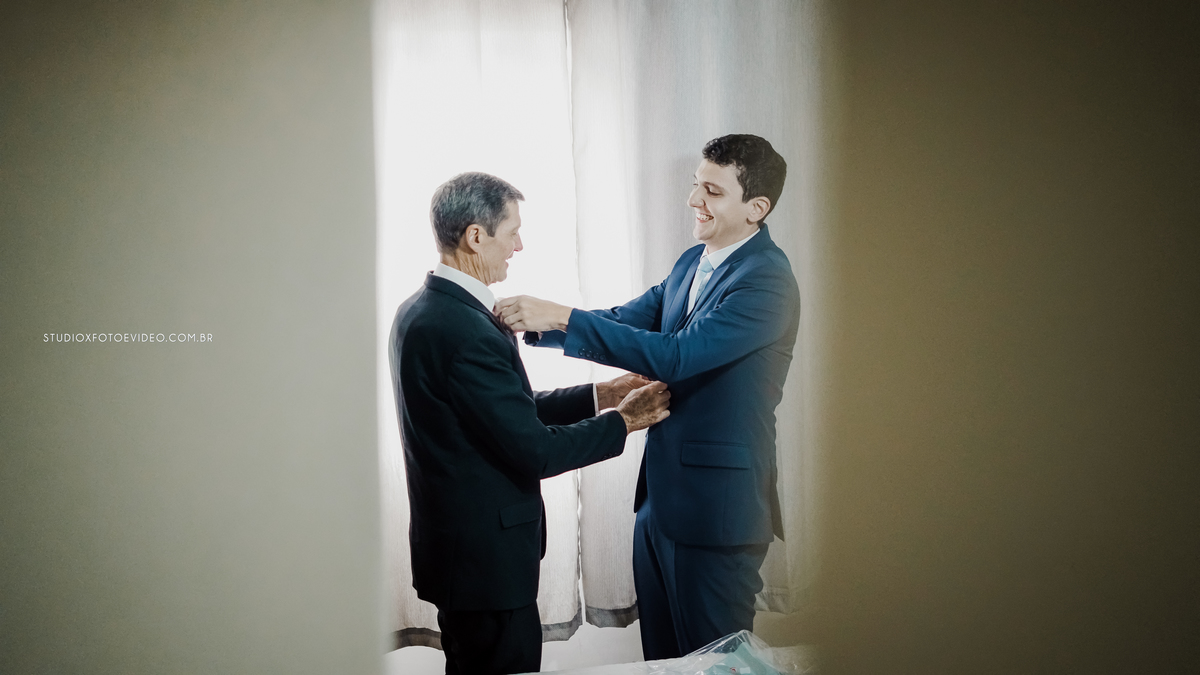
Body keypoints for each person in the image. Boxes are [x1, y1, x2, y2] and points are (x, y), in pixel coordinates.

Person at [497, 134, 800, 659]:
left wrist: (563, 316)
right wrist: (538, 326)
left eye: (712, 191)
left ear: (757, 208)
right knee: (661, 663)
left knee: (716, 664)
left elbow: (677, 355)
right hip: (659, 504)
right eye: (695, 185)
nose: (694, 200)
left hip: (717, 514)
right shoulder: (691, 262)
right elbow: (628, 320)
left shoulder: (768, 281)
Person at [389, 172, 671, 675]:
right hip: (485, 568)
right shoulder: (464, 329)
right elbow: (535, 450)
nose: (519, 246)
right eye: (513, 232)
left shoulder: (421, 310)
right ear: (476, 236)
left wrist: (598, 395)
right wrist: (624, 421)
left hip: (461, 557)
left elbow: (501, 413)